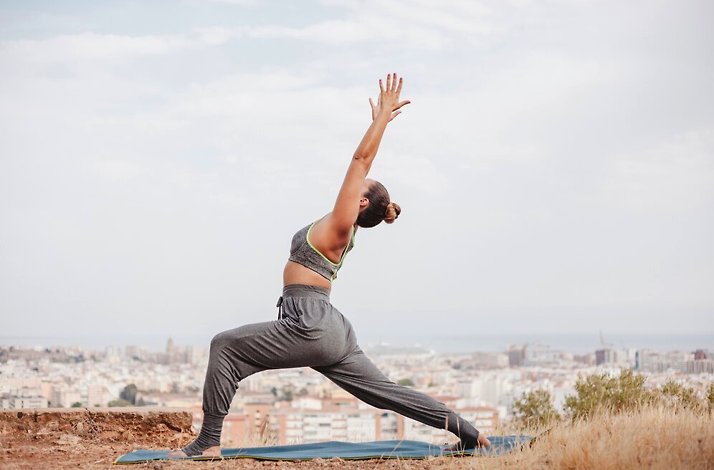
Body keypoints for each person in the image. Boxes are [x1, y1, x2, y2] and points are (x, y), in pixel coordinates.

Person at [170, 73, 490, 458]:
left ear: (359, 204)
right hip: (329, 328)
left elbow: (360, 160)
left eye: (362, 186)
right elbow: (360, 168)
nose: (356, 184)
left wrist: (381, 119)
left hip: (309, 323)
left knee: (224, 346)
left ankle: (207, 443)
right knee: (387, 393)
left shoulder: (342, 223)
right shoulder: (342, 228)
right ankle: (469, 433)